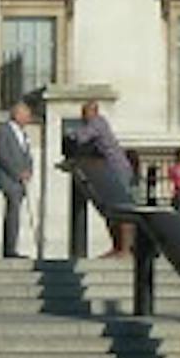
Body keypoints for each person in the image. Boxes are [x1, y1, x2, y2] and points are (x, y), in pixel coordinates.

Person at [66, 99, 134, 253]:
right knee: (109, 210)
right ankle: (117, 246)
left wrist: (69, 134)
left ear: (94, 112)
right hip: (108, 170)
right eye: (82, 113)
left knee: (121, 208)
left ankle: (125, 248)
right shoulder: (94, 123)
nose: (83, 116)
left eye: (85, 112)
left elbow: (81, 136)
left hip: (117, 169)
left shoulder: (98, 123)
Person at [0, 98, 36, 260]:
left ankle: (12, 247)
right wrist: (18, 173)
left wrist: (29, 170)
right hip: (9, 178)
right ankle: (9, 249)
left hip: (20, 180)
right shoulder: (4, 130)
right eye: (26, 115)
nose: (29, 118)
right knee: (13, 211)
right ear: (17, 114)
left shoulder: (23, 133)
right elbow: (3, 155)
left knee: (15, 212)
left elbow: (27, 155)